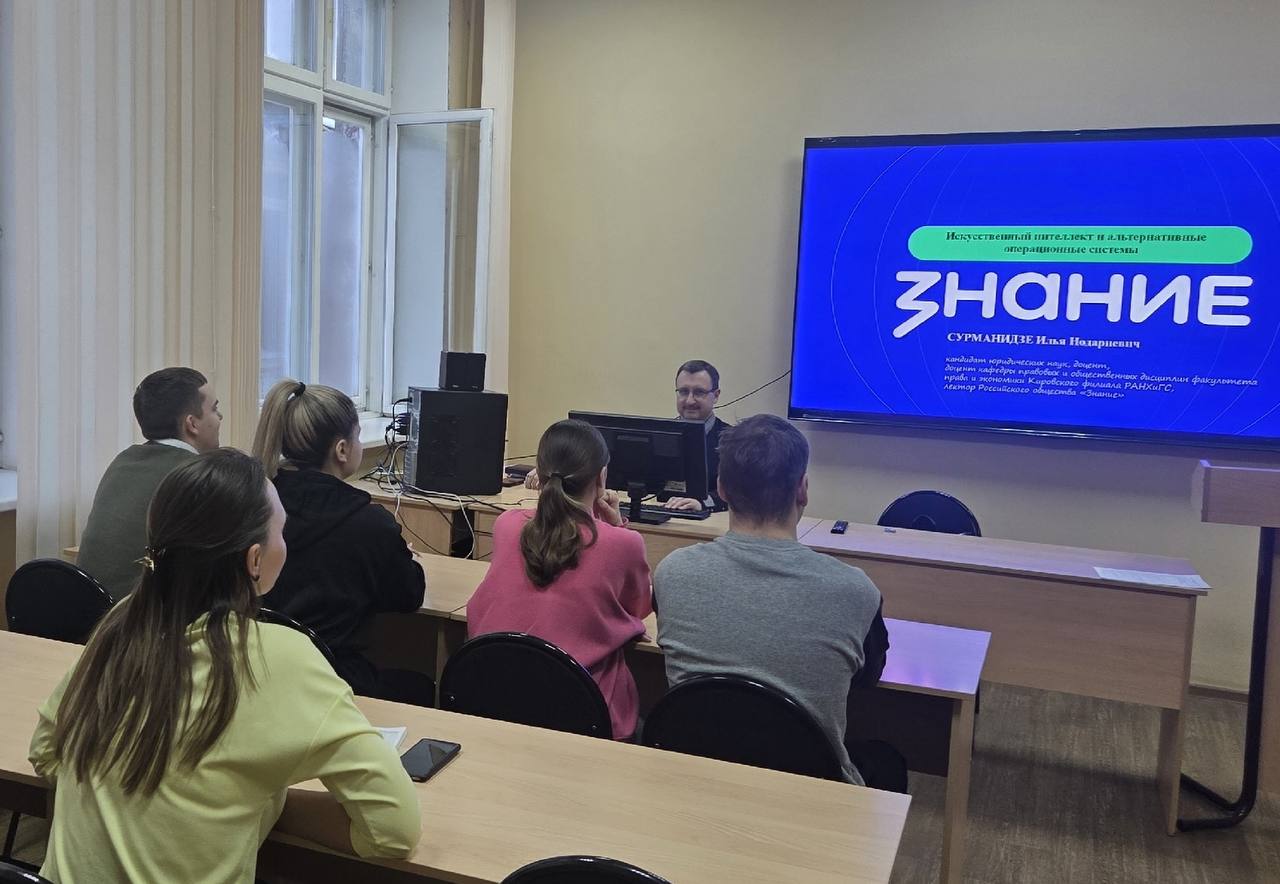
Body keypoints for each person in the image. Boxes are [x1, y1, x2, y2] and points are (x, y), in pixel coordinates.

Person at [29, 449, 421, 884]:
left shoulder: (124, 622)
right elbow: (394, 829)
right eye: (281, 532)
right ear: (254, 560)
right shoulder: (283, 658)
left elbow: (45, 751)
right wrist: (261, 798)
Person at [652, 414, 900, 789]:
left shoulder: (672, 573)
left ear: (721, 488)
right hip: (810, 791)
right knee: (889, 761)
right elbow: (868, 677)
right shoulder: (856, 590)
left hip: (695, 781)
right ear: (803, 490)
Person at [468, 419, 653, 740]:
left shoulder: (507, 524)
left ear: (539, 475)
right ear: (601, 477)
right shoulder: (623, 543)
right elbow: (638, 608)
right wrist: (616, 527)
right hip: (583, 715)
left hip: (497, 700)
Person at [251, 379, 428, 702]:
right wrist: (405, 559)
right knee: (420, 684)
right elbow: (408, 596)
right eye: (358, 436)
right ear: (342, 450)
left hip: (259, 676)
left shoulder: (254, 508)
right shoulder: (370, 524)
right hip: (336, 684)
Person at [78, 367, 222, 600]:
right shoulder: (198, 476)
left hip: (89, 610)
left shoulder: (123, 461)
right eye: (214, 409)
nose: (220, 417)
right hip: (142, 616)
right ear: (192, 424)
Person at [524, 358, 731, 512]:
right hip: (659, 516)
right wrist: (553, 472)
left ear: (716, 395)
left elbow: (742, 494)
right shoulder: (661, 435)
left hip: (702, 524)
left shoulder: (732, 439)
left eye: (699, 392)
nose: (690, 400)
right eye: (683, 392)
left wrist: (704, 502)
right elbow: (608, 468)